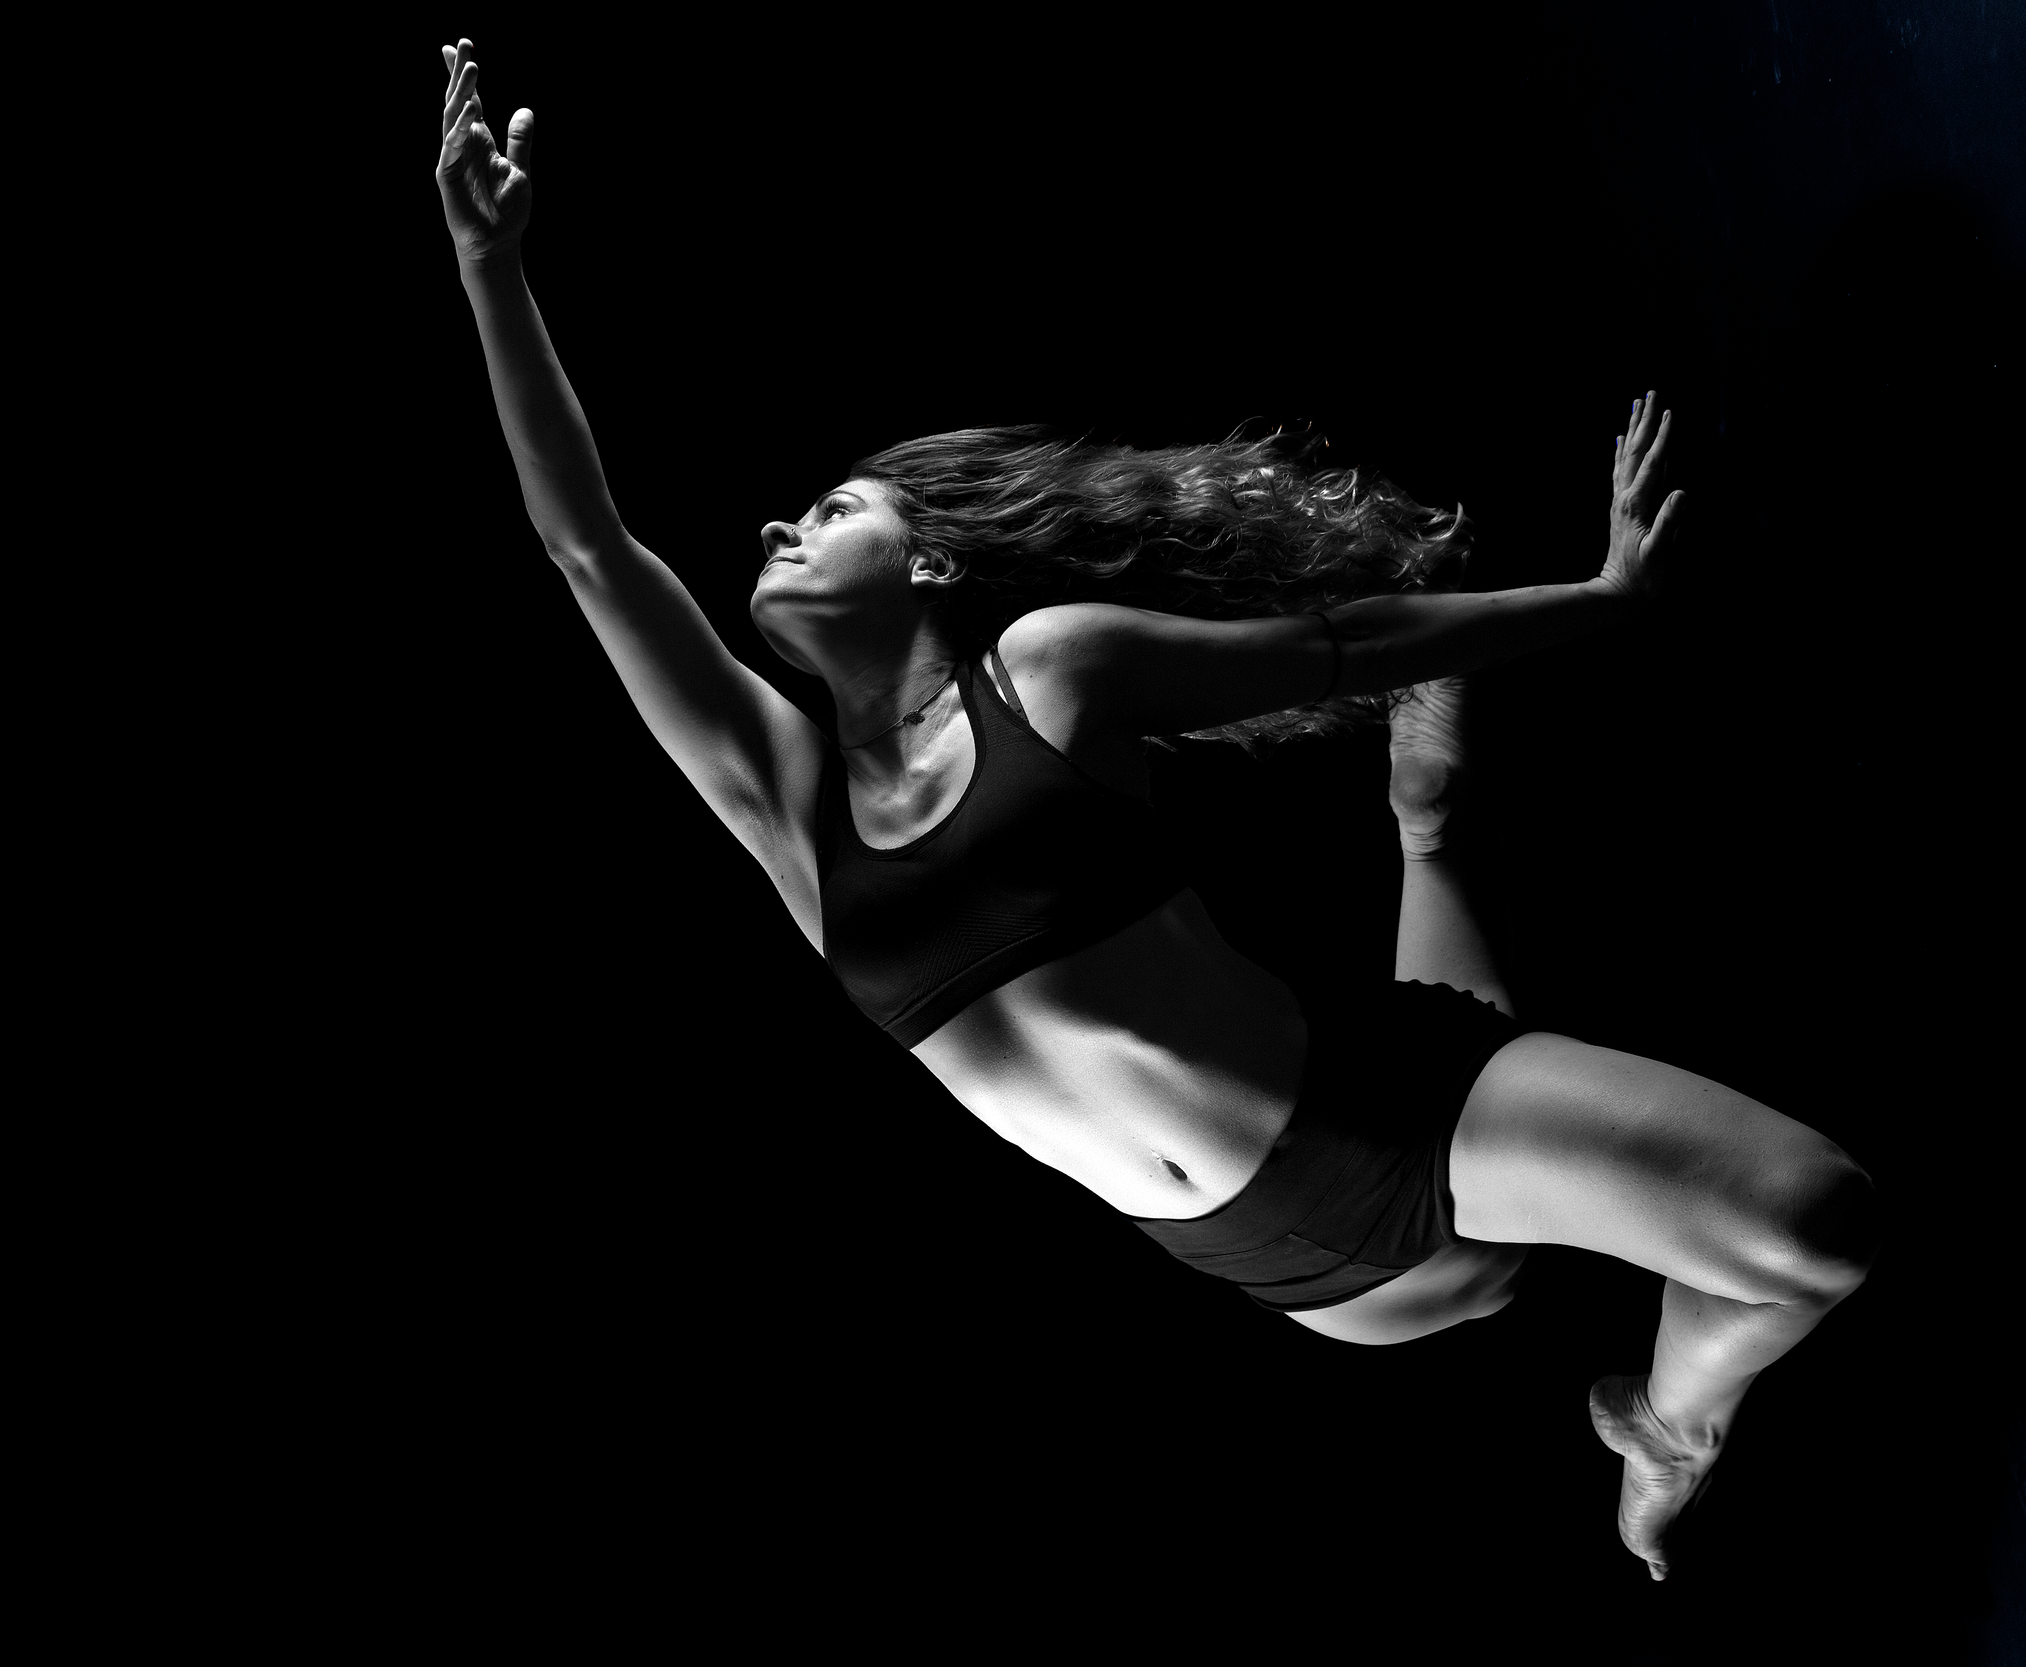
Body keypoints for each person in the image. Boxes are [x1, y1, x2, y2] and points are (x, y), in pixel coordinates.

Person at [434, 39, 1879, 1583]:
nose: (783, 518)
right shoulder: (790, 810)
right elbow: (591, 547)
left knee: (1814, 1226)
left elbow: (1346, 645)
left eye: (836, 506)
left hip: (1380, 1122)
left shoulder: (1044, 675)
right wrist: (489, 266)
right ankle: (1429, 817)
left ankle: (1667, 1428)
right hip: (1264, 1266)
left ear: (930, 568)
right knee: (1499, 1226)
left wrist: (1591, 605)